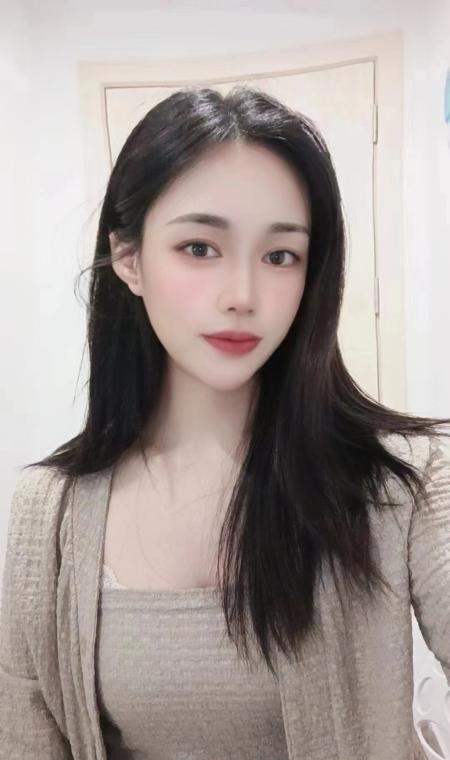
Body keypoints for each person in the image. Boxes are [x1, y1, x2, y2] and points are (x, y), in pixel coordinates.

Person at [1, 85, 449, 760]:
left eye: (280, 256)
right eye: (199, 247)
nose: (243, 295)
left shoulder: (405, 480)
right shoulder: (48, 514)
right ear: (129, 258)